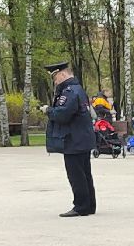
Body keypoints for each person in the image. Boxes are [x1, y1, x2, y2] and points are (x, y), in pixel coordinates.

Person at [42, 60, 97, 217]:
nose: (55, 81)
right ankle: (89, 205)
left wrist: (48, 110)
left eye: (55, 78)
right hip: (81, 138)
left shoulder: (69, 91)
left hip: (74, 139)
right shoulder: (77, 89)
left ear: (63, 74)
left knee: (76, 175)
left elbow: (63, 114)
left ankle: (80, 206)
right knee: (85, 173)